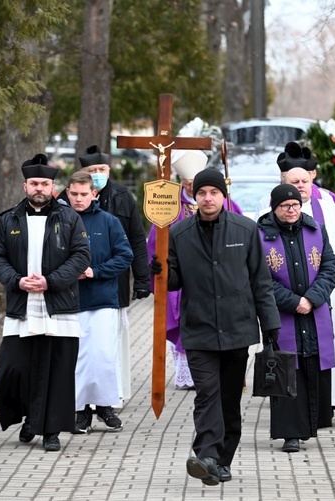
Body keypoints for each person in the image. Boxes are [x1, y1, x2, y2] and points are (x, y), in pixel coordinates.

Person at [150, 169, 280, 486]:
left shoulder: (246, 230)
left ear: (224, 196)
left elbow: (261, 282)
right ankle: (206, 454)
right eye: (202, 192)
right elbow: (175, 282)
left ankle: (222, 461)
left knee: (229, 400)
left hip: (237, 328)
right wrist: (159, 269)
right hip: (199, 329)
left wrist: (271, 325)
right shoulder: (179, 234)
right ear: (194, 197)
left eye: (214, 192)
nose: (208, 198)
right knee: (207, 394)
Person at [0, 153, 91, 452]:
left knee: (57, 369)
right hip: (22, 305)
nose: (39, 188)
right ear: (25, 186)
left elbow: (81, 256)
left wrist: (51, 281)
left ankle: (50, 431)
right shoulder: (9, 219)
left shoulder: (69, 217)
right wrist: (16, 280)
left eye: (45, 183)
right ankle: (29, 419)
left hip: (58, 304)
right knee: (15, 367)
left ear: (53, 187)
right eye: (34, 183)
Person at [146, 150, 243, 391]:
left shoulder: (229, 205)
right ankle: (191, 376)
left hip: (221, 281)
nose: (191, 190)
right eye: (188, 185)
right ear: (181, 182)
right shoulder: (168, 205)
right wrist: (160, 267)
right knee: (184, 324)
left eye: (195, 185)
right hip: (182, 282)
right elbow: (154, 243)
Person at [257, 184, 335, 453]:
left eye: (295, 205)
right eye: (284, 206)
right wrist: (293, 302)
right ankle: (290, 433)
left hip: (314, 311)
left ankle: (312, 425)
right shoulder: (260, 236)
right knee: (286, 370)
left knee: (311, 363)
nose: (291, 210)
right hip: (282, 316)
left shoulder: (316, 229)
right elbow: (261, 278)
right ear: (275, 208)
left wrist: (312, 298)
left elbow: (328, 267)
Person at [76, 145, 151, 409]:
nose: (98, 174)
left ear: (109, 170)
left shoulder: (122, 195)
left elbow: (136, 240)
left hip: (114, 283)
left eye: (102, 169)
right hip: (76, 287)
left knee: (110, 345)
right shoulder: (72, 196)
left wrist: (142, 279)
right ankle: (82, 401)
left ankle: (112, 394)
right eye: (92, 170)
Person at [283, 167, 335, 414]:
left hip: (329, 286)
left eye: (305, 180)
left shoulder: (329, 209)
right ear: (285, 182)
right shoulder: (275, 210)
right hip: (291, 292)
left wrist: (317, 254)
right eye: (295, 181)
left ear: (312, 180)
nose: (301, 185)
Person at [65, 171, 133, 434]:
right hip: (71, 300)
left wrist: (95, 271)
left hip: (103, 297)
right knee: (80, 357)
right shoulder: (61, 220)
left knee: (104, 355)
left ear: (94, 194)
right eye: (74, 194)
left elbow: (124, 255)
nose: (79, 199)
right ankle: (81, 411)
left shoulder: (109, 221)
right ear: (67, 193)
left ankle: (105, 406)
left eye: (84, 194)